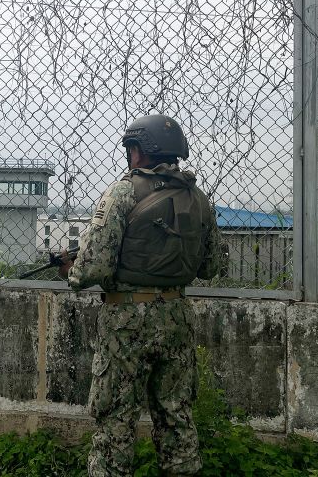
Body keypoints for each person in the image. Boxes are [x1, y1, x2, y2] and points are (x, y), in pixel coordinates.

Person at [59, 114, 220, 477]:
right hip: (177, 317)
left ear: (140, 151)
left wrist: (72, 272)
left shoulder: (123, 191)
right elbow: (210, 266)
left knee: (116, 420)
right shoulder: (199, 200)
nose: (129, 156)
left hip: (126, 324)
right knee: (176, 417)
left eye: (131, 148)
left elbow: (95, 267)